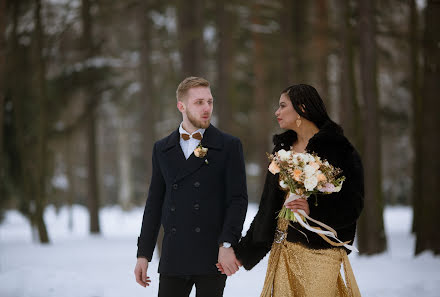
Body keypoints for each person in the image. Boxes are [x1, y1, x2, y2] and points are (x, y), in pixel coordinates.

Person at [231, 84, 363, 296]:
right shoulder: (282, 150)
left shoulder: (339, 148)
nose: (277, 112)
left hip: (320, 253)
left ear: (302, 108)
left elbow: (353, 204)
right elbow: (268, 207)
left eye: (283, 106)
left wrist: (314, 210)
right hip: (283, 249)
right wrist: (244, 252)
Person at [134, 76, 248, 297]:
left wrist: (227, 244)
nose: (207, 108)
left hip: (213, 257)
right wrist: (143, 254)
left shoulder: (228, 146)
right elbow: (154, 203)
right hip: (173, 256)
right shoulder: (162, 149)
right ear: (181, 106)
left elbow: (238, 200)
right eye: (199, 102)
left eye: (209, 101)